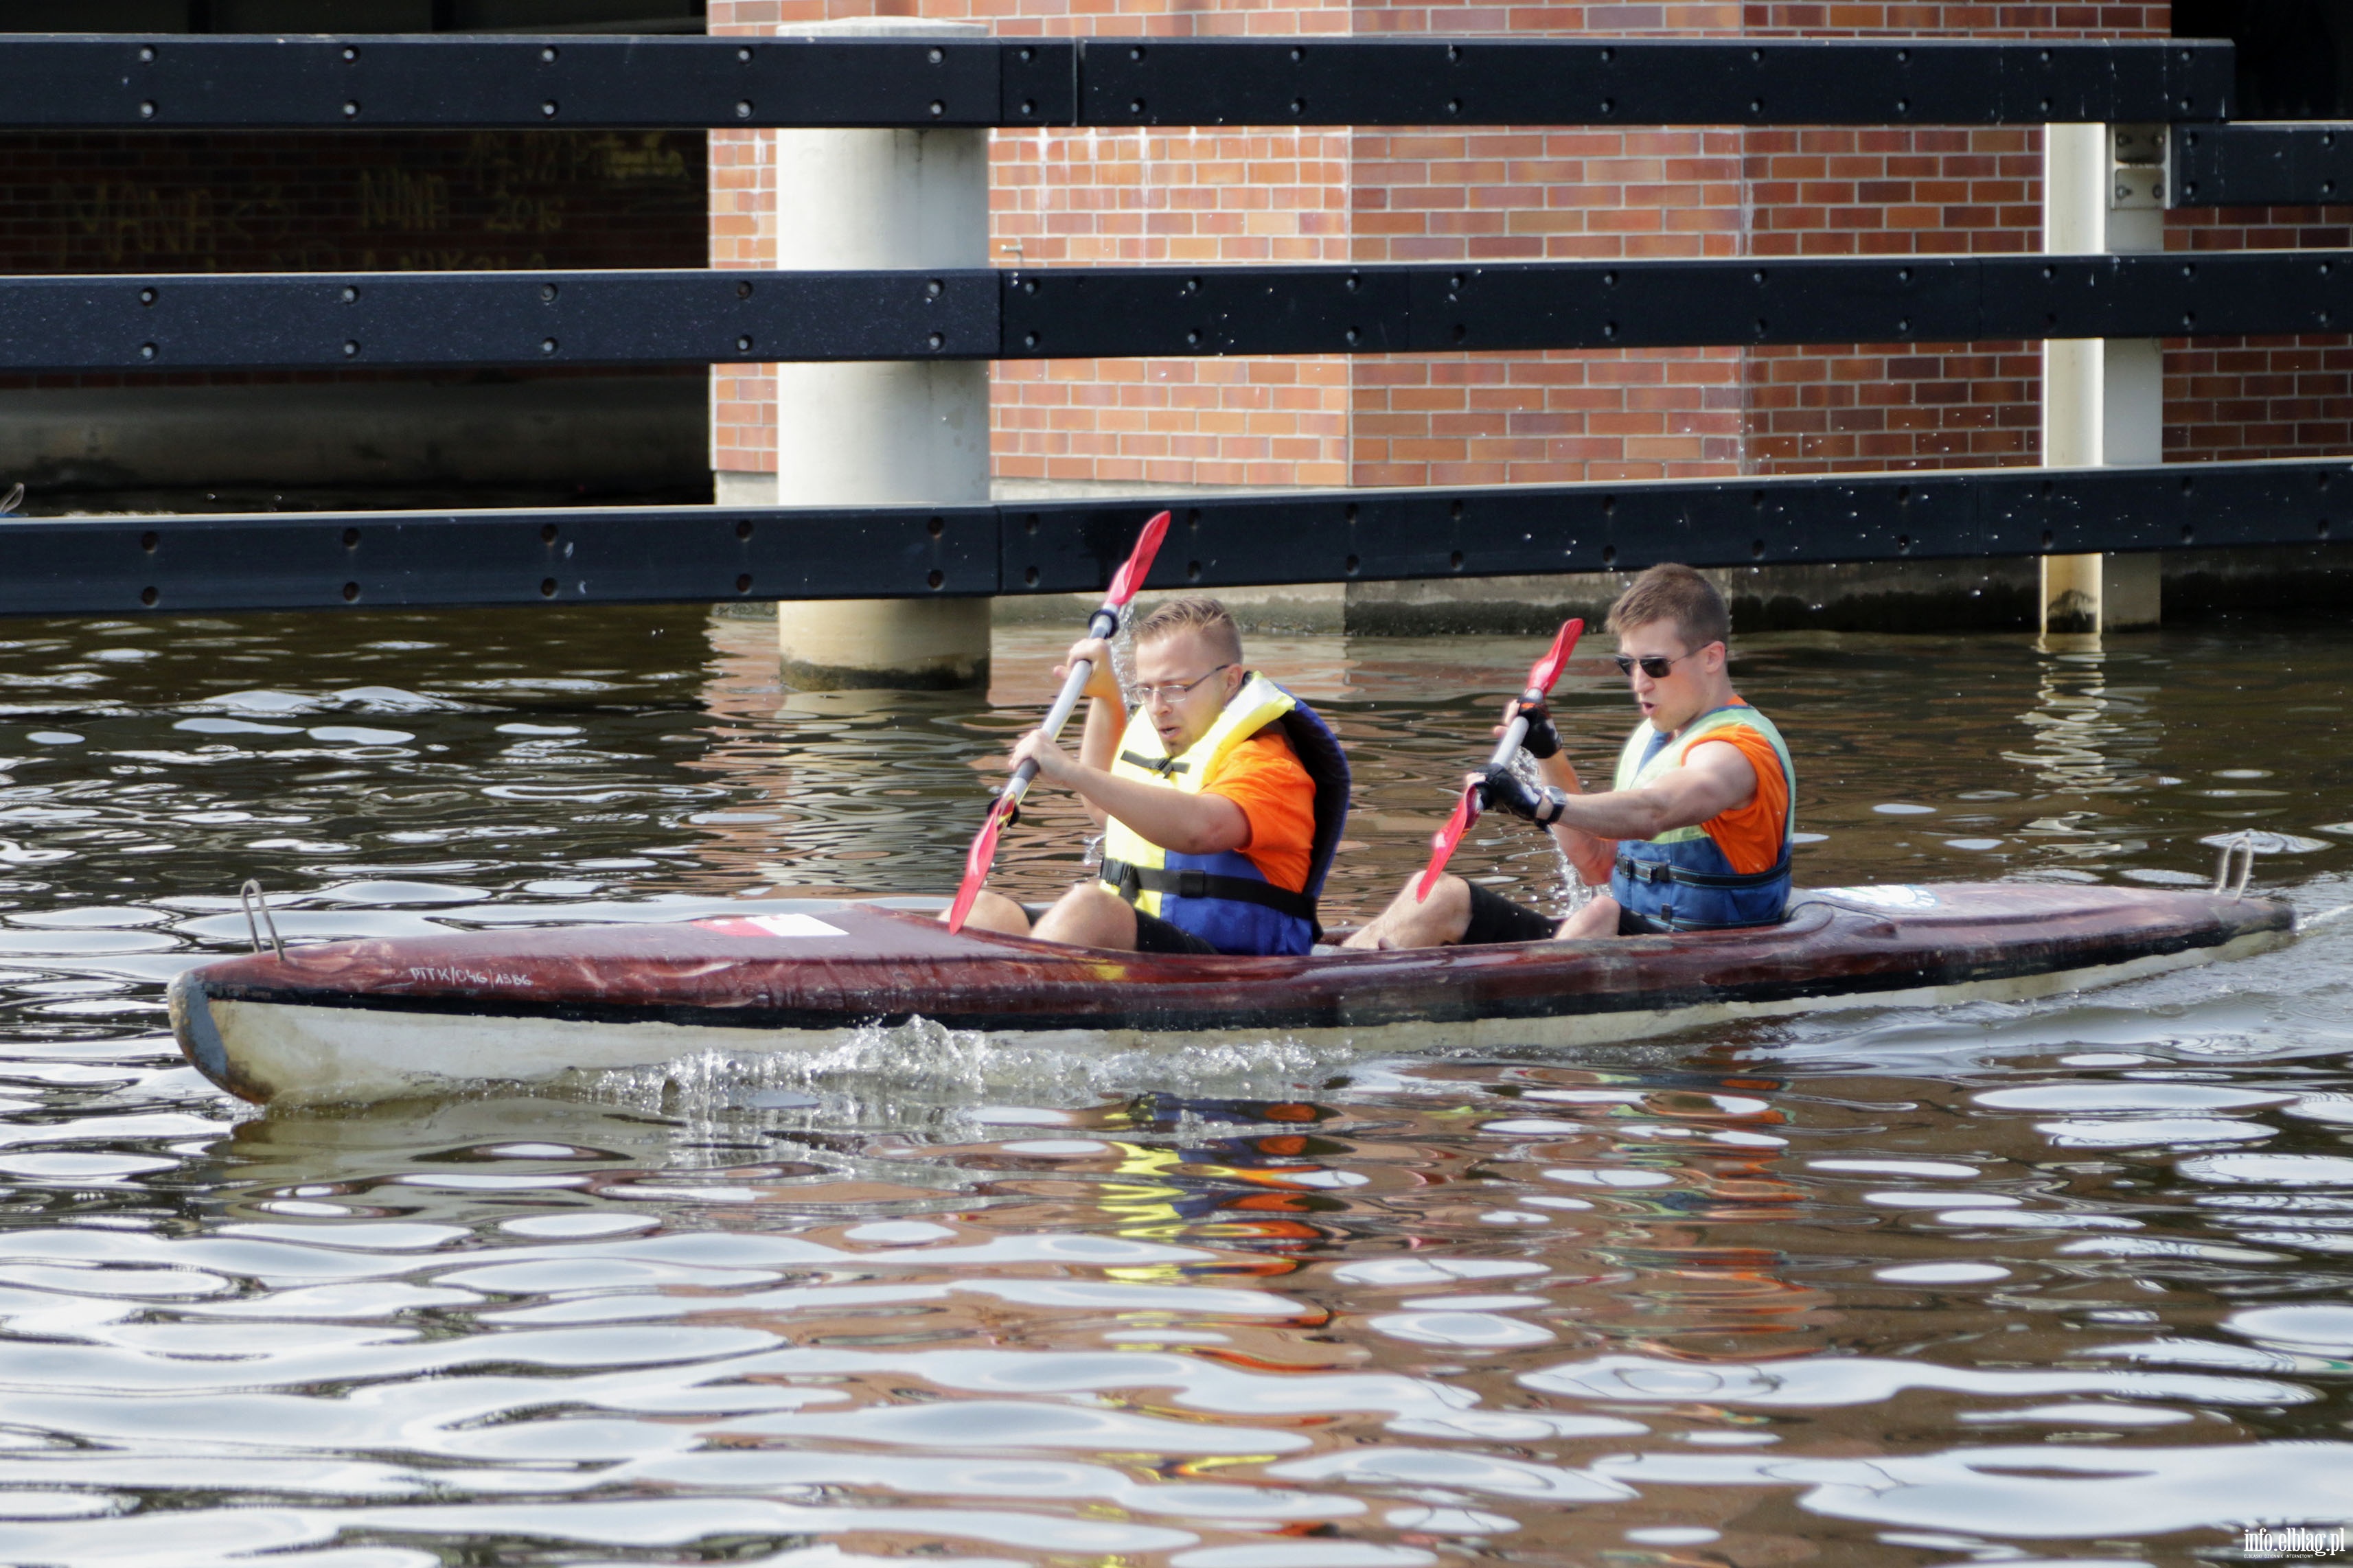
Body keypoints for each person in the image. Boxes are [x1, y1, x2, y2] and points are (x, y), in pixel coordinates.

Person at [1344, 563, 1793, 949]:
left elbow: (1656, 810)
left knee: (1600, 914)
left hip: (1708, 956)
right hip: (1632, 943)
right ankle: (1328, 972)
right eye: (1627, 665)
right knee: (1436, 895)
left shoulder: (1736, 752)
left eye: (1654, 665)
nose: (1638, 683)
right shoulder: (1653, 739)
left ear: (1712, 657)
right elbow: (1597, 864)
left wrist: (1537, 803)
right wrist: (1548, 754)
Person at [957, 596, 1349, 956]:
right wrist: (1106, 697)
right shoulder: (1167, 741)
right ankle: (954, 999)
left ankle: (1017, 1007)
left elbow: (1201, 829)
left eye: (1176, 688)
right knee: (986, 911)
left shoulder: (1269, 766)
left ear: (1231, 680)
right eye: (1146, 690)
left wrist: (1069, 770)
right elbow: (1104, 810)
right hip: (1152, 945)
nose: (1158, 707)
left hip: (1233, 962)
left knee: (1090, 906)